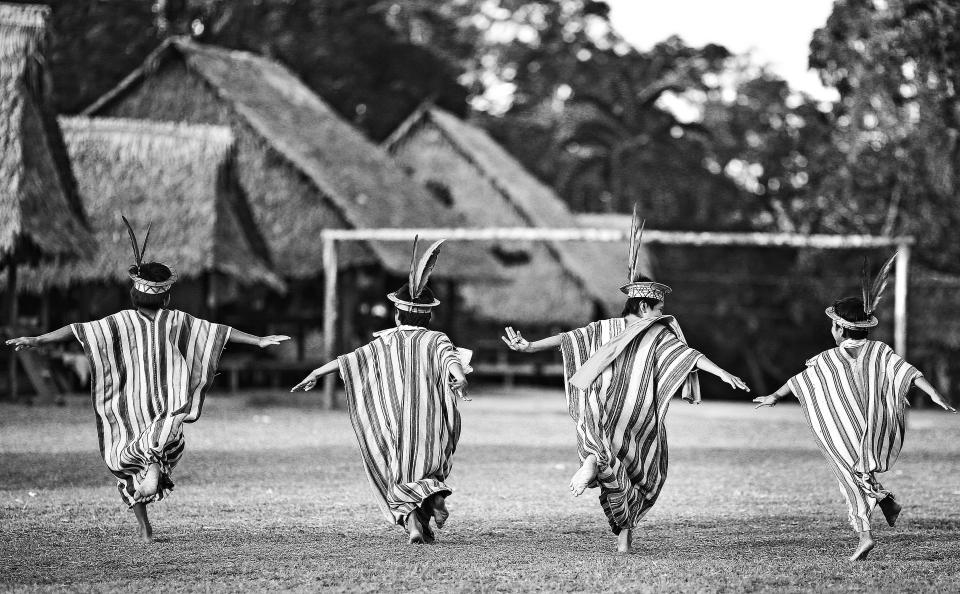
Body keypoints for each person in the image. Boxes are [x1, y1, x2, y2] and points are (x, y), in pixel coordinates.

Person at [6, 217, 289, 543]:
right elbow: (217, 332)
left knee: (128, 463)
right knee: (165, 442)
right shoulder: (177, 321)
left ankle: (145, 523)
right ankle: (153, 468)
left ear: (133, 296)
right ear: (166, 298)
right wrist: (258, 340)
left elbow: (77, 330)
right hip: (168, 405)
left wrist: (38, 340)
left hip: (128, 406)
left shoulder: (120, 321)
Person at [503, 213, 749, 553]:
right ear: (646, 304)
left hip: (599, 413)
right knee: (645, 471)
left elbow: (566, 339)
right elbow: (688, 356)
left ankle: (594, 464)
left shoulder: (602, 327)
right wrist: (721, 372)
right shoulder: (657, 331)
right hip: (637, 417)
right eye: (660, 305)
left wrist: (529, 346)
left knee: (603, 459)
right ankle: (624, 532)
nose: (663, 311)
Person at [754, 254, 955, 561]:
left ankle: (864, 534)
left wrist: (773, 396)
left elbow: (798, 382)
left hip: (845, 432)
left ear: (839, 328)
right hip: (874, 428)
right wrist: (936, 395)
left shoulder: (826, 359)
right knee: (860, 471)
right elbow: (909, 373)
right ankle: (885, 500)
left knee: (848, 477)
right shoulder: (880, 350)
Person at [292, 237, 470, 545]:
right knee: (431, 465)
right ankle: (437, 498)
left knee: (398, 473)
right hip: (429, 423)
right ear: (427, 316)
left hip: (395, 425)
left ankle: (414, 526)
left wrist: (316, 372)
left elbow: (349, 359)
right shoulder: (436, 338)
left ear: (398, 315)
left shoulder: (385, 341)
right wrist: (460, 379)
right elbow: (451, 359)